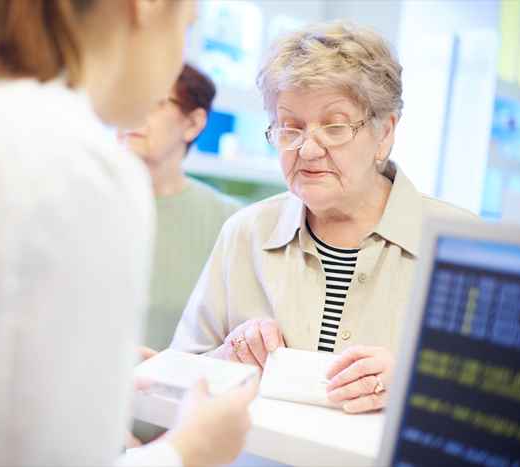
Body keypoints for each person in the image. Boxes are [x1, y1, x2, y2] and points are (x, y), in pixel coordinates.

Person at [0, 1, 257, 466]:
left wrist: (77, 369)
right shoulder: (75, 165)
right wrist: (191, 450)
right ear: (143, 8)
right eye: (186, 24)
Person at [170, 22, 478, 414]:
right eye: (290, 127)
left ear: (385, 133)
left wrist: (416, 383)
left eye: (334, 127)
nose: (308, 149)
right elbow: (176, 378)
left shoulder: (460, 243)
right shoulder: (245, 232)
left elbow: (506, 411)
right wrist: (227, 358)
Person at [120, 64, 241, 352]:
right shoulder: (82, 203)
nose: (132, 114)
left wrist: (172, 368)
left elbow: (234, 340)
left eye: (154, 102)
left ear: (193, 123)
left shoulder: (229, 222)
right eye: (125, 99)